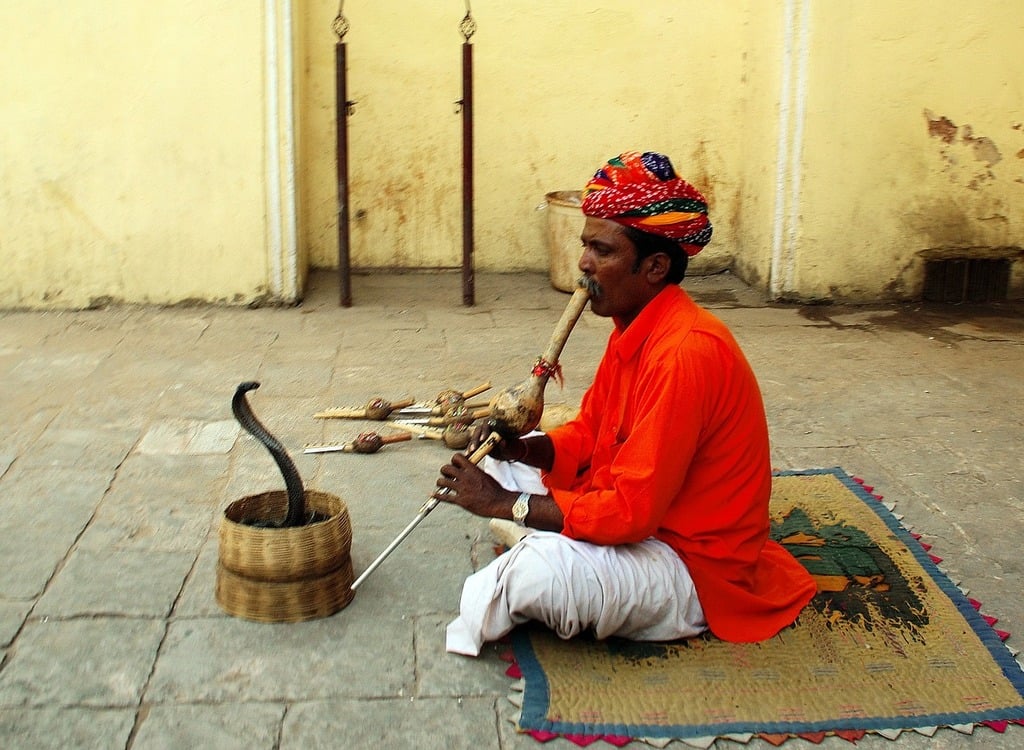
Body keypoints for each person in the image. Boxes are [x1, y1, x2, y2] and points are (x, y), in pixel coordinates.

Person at [436, 150, 816, 656]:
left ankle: (540, 537)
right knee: (502, 471)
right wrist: (523, 449)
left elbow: (632, 514)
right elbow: (591, 433)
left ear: (655, 266)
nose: (584, 264)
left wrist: (504, 504)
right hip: (646, 516)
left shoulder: (685, 353)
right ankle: (543, 527)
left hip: (689, 561)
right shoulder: (634, 328)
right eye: (585, 245)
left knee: (532, 579)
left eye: (602, 250)